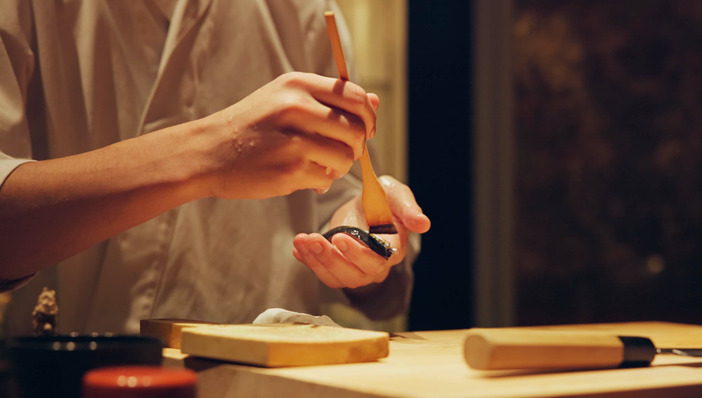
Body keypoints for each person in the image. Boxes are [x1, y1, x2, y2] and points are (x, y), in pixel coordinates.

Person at [0, 0, 430, 335]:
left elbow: (331, 193)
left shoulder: (304, 11)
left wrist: (356, 240)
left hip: (265, 387)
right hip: (49, 390)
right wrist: (209, 153)